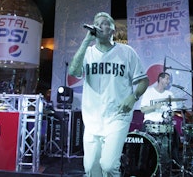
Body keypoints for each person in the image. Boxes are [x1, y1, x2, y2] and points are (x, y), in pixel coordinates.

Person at [68, 11, 149, 177]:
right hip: (92, 118)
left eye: (104, 22)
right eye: (96, 22)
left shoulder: (127, 52)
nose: (99, 25)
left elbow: (144, 80)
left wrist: (133, 97)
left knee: (109, 165)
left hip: (117, 116)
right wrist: (86, 41)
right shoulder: (88, 53)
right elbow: (73, 71)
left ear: (112, 29)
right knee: (90, 168)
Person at [140, 72, 182, 166]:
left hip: (164, 123)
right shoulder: (149, 92)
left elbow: (173, 111)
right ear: (160, 79)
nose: (168, 81)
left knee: (175, 137)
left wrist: (170, 115)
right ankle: (145, 166)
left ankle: (174, 164)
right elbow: (143, 109)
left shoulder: (169, 94)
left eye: (169, 79)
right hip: (149, 123)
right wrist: (155, 107)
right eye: (167, 79)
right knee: (145, 145)